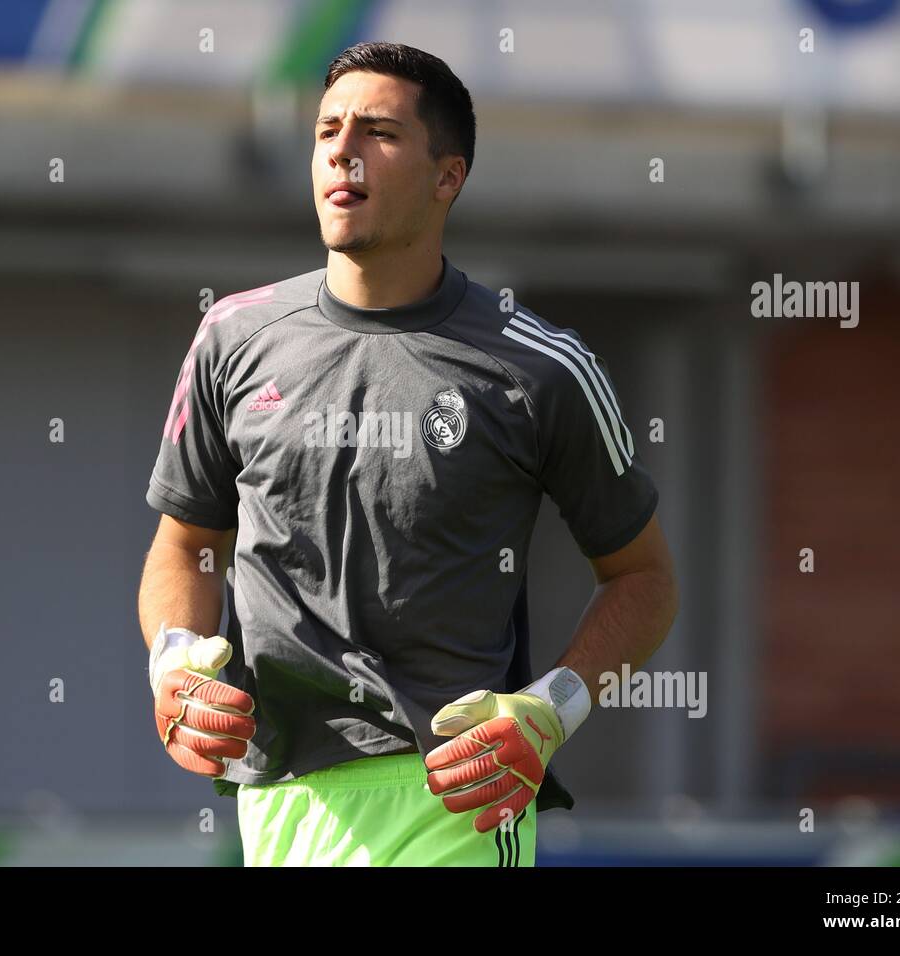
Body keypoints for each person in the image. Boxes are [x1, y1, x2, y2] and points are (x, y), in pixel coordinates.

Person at [139, 41, 679, 867]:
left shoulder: (537, 367)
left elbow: (644, 580)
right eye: (327, 130)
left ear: (447, 176)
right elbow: (184, 546)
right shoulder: (232, 339)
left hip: (452, 798)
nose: (342, 151)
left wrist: (548, 710)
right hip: (279, 801)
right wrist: (174, 660)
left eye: (380, 132)